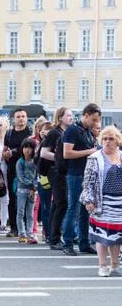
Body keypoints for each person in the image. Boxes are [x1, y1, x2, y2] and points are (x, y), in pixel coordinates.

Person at [81, 126, 122, 277]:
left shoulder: (121, 155)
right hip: (102, 201)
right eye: (105, 139)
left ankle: (115, 264)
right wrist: (88, 200)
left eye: (111, 139)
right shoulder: (95, 158)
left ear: (117, 141)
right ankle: (102, 265)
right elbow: (88, 182)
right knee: (102, 234)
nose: (107, 142)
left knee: (117, 236)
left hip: (119, 203)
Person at [62, 103, 101, 256]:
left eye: (97, 120)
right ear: (85, 115)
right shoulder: (73, 130)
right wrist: (90, 151)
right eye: (94, 119)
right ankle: (68, 242)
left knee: (85, 211)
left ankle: (84, 243)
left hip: (87, 175)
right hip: (76, 174)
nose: (96, 123)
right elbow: (67, 153)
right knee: (73, 209)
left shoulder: (88, 131)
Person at [40, 107, 73, 250]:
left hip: (61, 170)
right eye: (69, 115)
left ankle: (52, 236)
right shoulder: (54, 133)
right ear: (60, 117)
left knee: (57, 204)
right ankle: (54, 238)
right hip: (54, 171)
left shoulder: (66, 133)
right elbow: (43, 153)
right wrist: (61, 158)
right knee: (62, 203)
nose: (71, 118)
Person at [3, 109, 31, 237]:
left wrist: (13, 152)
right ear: (14, 119)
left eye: (23, 116)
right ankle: (14, 227)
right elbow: (5, 150)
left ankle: (26, 227)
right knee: (13, 198)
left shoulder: (30, 132)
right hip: (12, 170)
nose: (21, 119)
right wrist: (6, 154)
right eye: (18, 116)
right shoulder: (9, 133)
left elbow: (29, 147)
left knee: (27, 199)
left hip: (27, 170)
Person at [16, 138, 38, 245]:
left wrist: (34, 187)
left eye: (30, 148)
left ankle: (30, 234)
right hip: (22, 190)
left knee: (30, 214)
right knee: (20, 212)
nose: (27, 150)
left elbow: (37, 175)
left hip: (33, 190)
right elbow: (21, 177)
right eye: (25, 147)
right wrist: (32, 186)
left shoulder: (35, 162)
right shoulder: (20, 162)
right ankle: (22, 233)